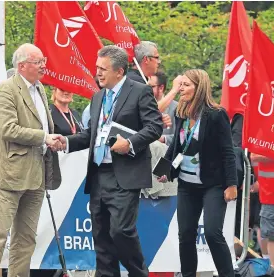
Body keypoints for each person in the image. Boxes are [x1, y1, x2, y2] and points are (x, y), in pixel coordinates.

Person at [57, 45, 164, 277]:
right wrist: (65, 141)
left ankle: (139, 273)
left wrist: (131, 143)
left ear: (120, 71)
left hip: (125, 174)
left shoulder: (139, 91)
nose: (98, 73)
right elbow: (91, 134)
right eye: (97, 68)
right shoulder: (97, 97)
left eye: (103, 69)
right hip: (99, 173)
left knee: (121, 230)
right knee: (102, 236)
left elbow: (154, 126)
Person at [0, 43, 61, 277]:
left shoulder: (40, 89)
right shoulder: (6, 89)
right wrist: (44, 137)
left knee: (26, 238)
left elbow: (42, 127)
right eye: (38, 62)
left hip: (36, 174)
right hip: (9, 174)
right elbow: (8, 129)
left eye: (43, 61)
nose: (44, 65)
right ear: (22, 66)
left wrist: (53, 139)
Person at [158, 69, 238, 277]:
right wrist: (163, 169)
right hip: (187, 184)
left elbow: (228, 151)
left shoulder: (216, 114)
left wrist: (231, 184)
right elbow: (176, 145)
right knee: (185, 235)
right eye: (180, 84)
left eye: (185, 84)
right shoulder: (181, 113)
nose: (181, 88)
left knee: (212, 233)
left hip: (213, 184)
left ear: (198, 87)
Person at [150, 71, 178, 146]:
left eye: (150, 86)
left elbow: (182, 137)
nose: (146, 89)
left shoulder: (177, 108)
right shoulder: (142, 105)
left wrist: (163, 139)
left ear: (161, 88)